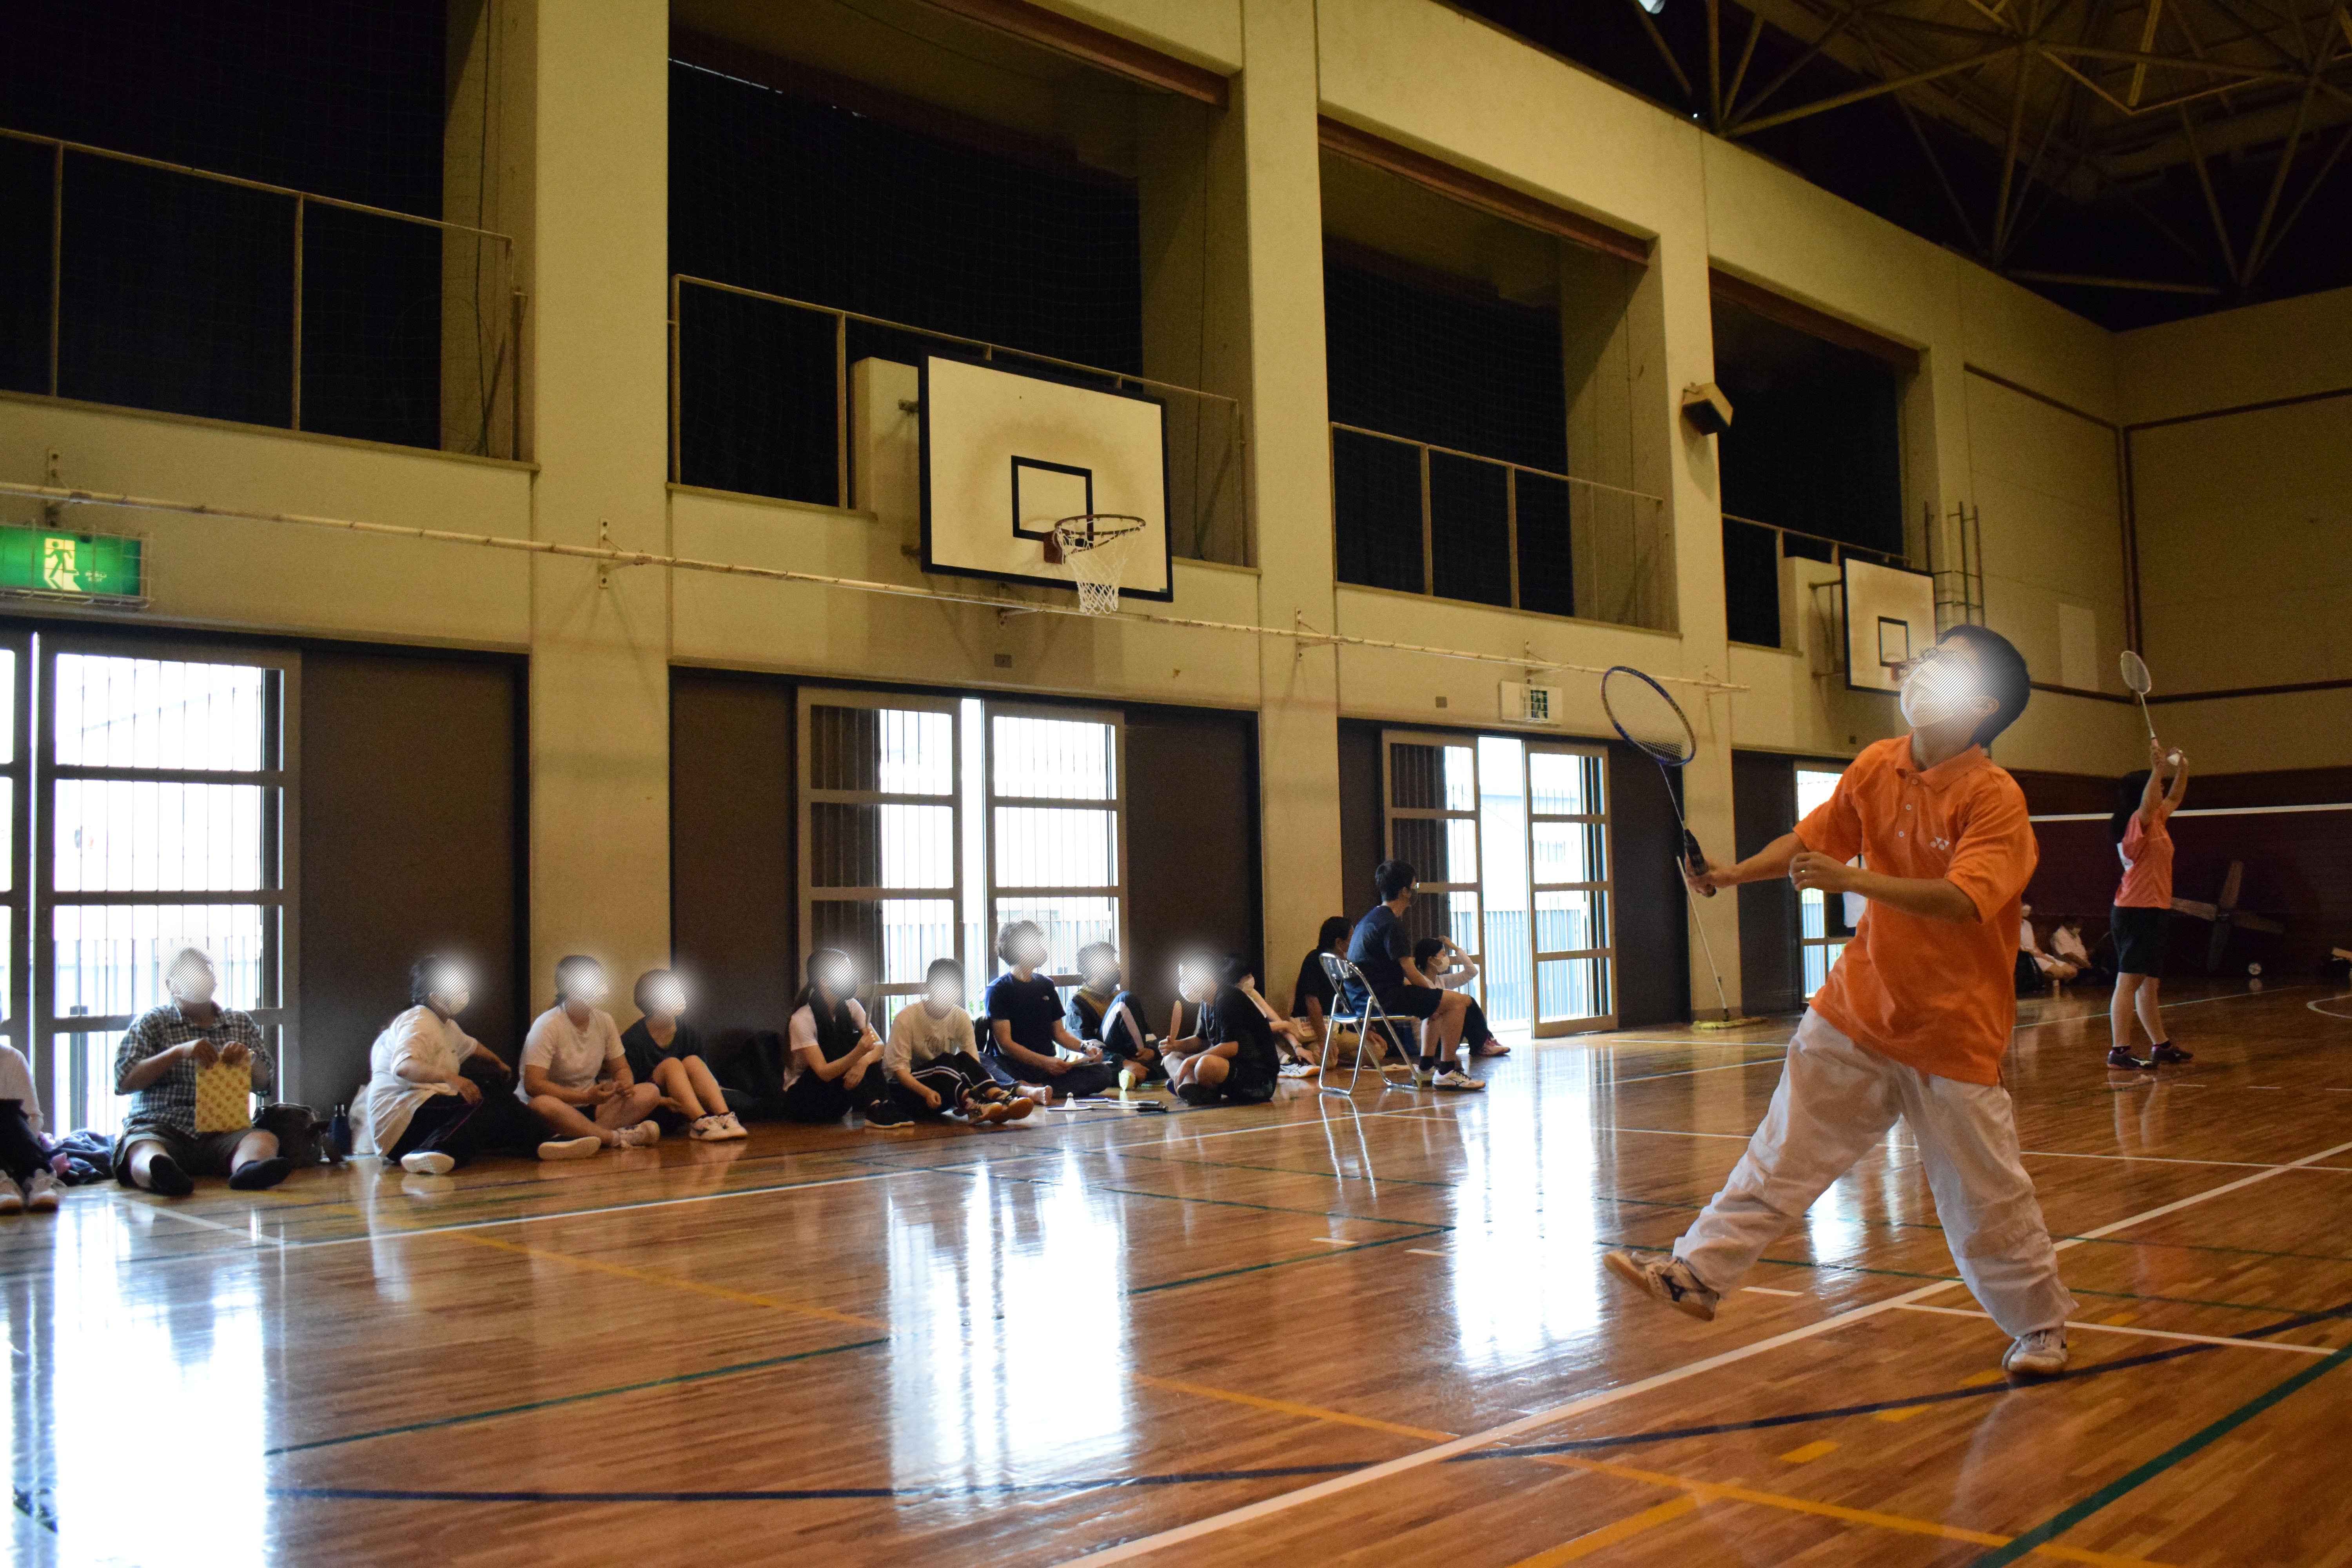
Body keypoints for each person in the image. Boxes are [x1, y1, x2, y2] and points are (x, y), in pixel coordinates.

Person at [1604, 625, 2078, 1377]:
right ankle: (1697, 1273)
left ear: (1982, 706)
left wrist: (1851, 881)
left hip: (1952, 1032)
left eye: (1948, 669)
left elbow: (1963, 901)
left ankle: (2041, 1328)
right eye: (1929, 659)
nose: (1924, 672)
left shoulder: (1995, 799)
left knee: (1983, 1196)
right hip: (1855, 1010)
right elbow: (1808, 841)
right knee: (1781, 1152)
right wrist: (1727, 876)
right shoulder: (1876, 765)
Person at [367, 957, 601, 1173]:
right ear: (435, 995)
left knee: (493, 1093)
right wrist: (452, 1077)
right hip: (402, 1123)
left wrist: (498, 1063)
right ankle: (433, 1150)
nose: (464, 992)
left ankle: (545, 1142)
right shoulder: (418, 1019)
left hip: (419, 1119)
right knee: (488, 1100)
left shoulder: (446, 1026)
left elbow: (472, 1046)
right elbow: (404, 1067)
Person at [113, 948, 293, 1196]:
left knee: (263, 1140)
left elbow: (264, 1083)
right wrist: (177, 1053)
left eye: (202, 974)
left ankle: (250, 1170)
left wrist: (247, 1059)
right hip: (161, 1126)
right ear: (171, 984)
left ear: (214, 980)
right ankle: (161, 1175)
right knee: (142, 1148)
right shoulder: (152, 1022)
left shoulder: (239, 1022)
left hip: (225, 1129)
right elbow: (124, 1080)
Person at [1344, 861, 1484, 1091]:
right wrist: (1436, 993)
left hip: (1363, 999)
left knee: (1436, 1006)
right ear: (1405, 892)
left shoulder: (1370, 919)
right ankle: (1448, 1071)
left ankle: (1426, 1067)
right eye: (1414, 886)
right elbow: (1410, 970)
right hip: (1383, 999)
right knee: (1460, 1002)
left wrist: (1435, 998)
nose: (1415, 890)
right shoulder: (1390, 924)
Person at [745, 949, 912, 1128]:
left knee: (860, 1043)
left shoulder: (852, 1006)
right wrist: (858, 1053)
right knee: (846, 1043)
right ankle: (874, 1107)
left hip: (838, 1097)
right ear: (824, 980)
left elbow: (879, 1046)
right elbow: (824, 1072)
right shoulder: (802, 1019)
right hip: (806, 1101)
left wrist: (862, 1063)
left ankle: (885, 1104)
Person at [517, 956, 665, 1150]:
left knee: (650, 1092)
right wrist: (585, 1098)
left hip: (592, 1107)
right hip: (559, 1108)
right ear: (566, 988)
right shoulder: (547, 1024)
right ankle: (613, 1138)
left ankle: (577, 1138)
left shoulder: (605, 1021)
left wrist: (625, 1084)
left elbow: (621, 1067)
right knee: (542, 1104)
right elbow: (534, 1085)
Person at [2110, 742, 2192, 1070]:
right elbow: (2150, 802)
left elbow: (2174, 798)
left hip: (2155, 909)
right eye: (2156, 786)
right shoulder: (2136, 822)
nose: (2161, 790)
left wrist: (2181, 769)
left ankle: (2161, 1045)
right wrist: (2158, 768)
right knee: (2129, 981)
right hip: (2135, 910)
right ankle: (2119, 1050)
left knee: (2150, 984)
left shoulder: (2157, 820)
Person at [983, 922, 1120, 1102]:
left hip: (1046, 1069)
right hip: (1012, 1067)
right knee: (980, 1061)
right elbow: (1005, 1045)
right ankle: (1021, 1089)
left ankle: (1034, 1090)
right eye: (1037, 943)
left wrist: (1085, 1047)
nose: (1043, 948)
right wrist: (1044, 1062)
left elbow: (1060, 1034)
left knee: (1102, 1073)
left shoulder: (1046, 985)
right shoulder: (998, 990)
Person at [888, 958, 1034, 1125]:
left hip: (944, 1090)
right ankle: (974, 1105)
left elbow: (972, 1063)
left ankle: (1000, 1098)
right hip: (908, 1093)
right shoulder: (907, 1017)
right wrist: (927, 1092)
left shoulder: (961, 1017)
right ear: (929, 987)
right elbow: (899, 1072)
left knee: (963, 1058)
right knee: (946, 1061)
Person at [620, 969, 746, 1141]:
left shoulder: (689, 1034)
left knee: (693, 1061)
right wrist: (663, 1101)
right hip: (654, 1110)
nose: (682, 996)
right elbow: (629, 1093)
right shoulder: (633, 1040)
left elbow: (704, 1079)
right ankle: (700, 1122)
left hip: (685, 1108)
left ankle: (724, 1117)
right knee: (671, 1064)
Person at [1065, 942, 1161, 1090]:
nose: (1117, 965)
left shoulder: (1119, 997)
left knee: (1175, 1059)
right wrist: (1125, 1063)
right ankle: (1137, 1070)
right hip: (1110, 1062)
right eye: (1111, 961)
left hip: (1131, 1057)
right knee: (1125, 1000)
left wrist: (1152, 1052)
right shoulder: (1077, 1002)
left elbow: (1147, 1034)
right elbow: (1087, 1048)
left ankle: (1137, 1069)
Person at [1412, 937, 1508, 1059]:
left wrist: (1455, 948)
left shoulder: (1441, 981)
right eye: (1443, 955)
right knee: (1466, 1001)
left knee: (1466, 1001)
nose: (1446, 959)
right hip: (1431, 1045)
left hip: (1444, 1037)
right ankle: (1483, 1045)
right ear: (1431, 960)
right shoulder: (1419, 983)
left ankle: (1484, 1043)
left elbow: (1471, 972)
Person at [0, 1040, 61, 1213]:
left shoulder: (12, 1058)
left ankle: (36, 1177)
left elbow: (32, 1117)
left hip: (13, 1149)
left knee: (8, 1110)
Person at [2052, 917, 2110, 985]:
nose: (2080, 928)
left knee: (2106, 971)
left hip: (2083, 967)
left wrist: (2093, 951)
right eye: (2078, 925)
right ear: (2069, 924)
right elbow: (2070, 956)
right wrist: (2088, 966)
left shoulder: (2076, 936)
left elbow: (2080, 953)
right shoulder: (2059, 935)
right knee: (2101, 975)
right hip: (2073, 970)